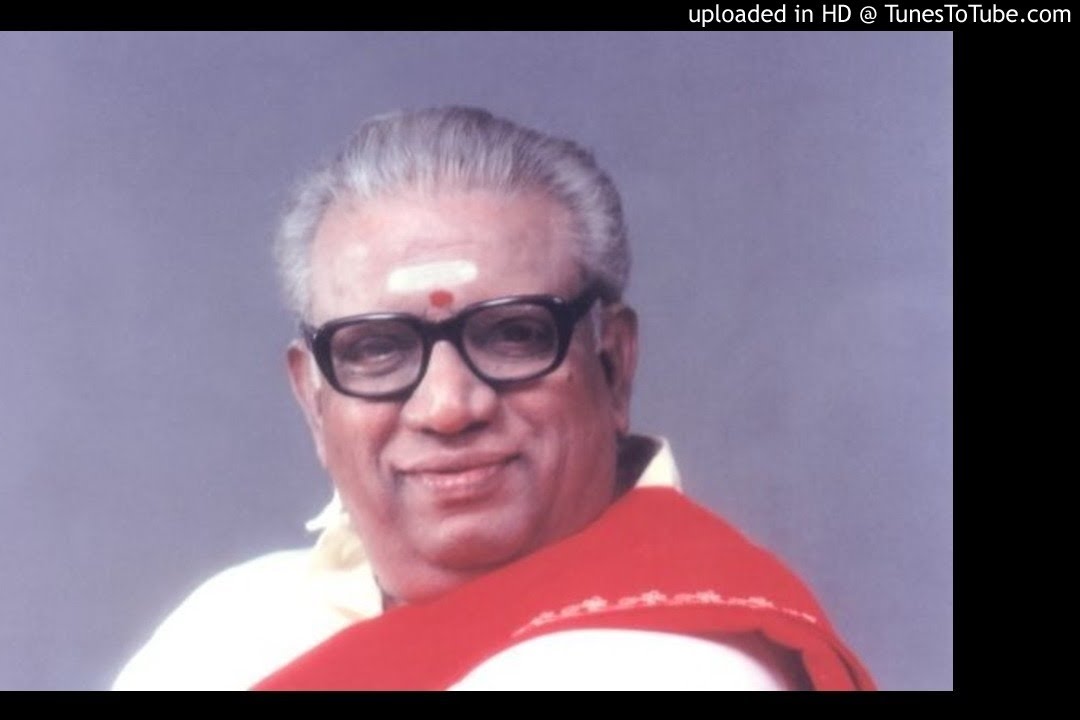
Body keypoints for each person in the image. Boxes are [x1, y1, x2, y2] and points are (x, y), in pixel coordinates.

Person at [113, 106, 875, 691]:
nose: (448, 407)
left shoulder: (678, 665)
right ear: (313, 400)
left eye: (513, 335)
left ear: (613, 366)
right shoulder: (229, 622)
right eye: (378, 349)